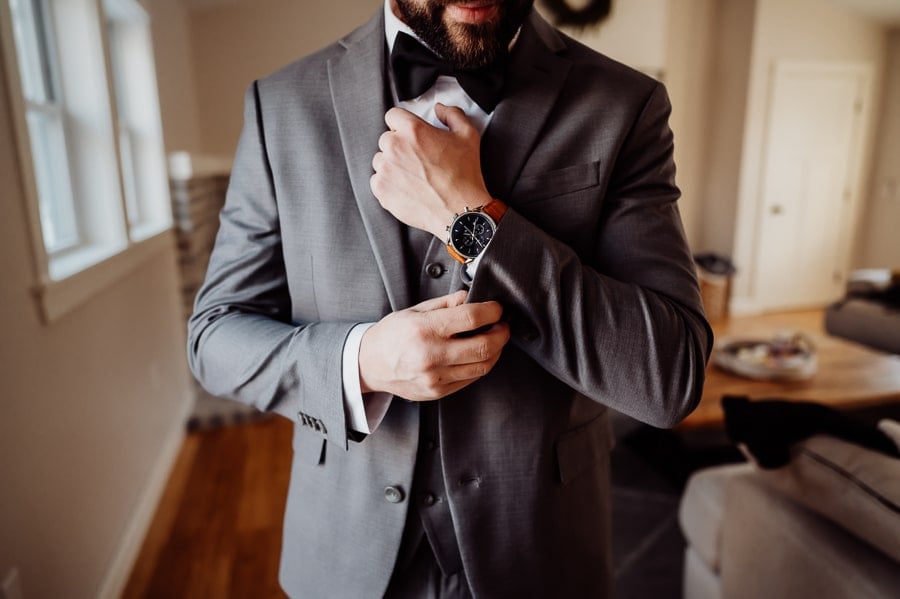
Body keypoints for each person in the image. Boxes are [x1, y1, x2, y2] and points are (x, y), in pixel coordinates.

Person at [187, 0, 713, 596]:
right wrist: (362, 361)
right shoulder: (279, 105)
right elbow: (215, 334)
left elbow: (669, 375)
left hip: (539, 552)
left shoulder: (624, 105)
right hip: (345, 555)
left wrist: (472, 218)